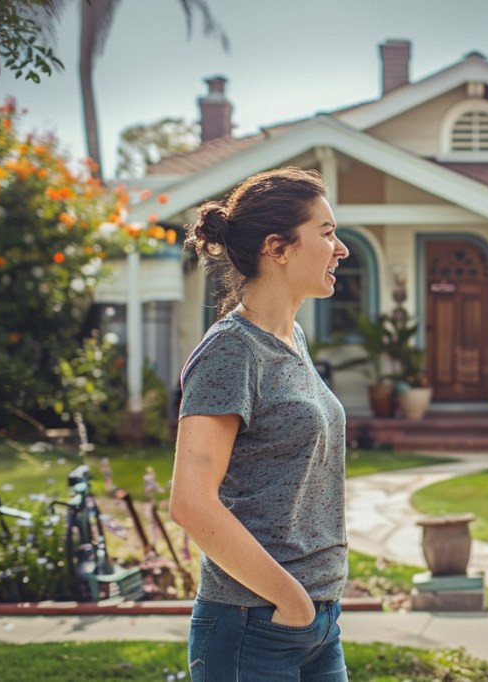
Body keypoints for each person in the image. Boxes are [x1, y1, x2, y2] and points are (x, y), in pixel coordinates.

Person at [170, 167, 351, 681]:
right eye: (326, 232)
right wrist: (290, 599)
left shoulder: (290, 337)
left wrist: (310, 604)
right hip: (253, 623)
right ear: (279, 247)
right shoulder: (231, 352)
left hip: (315, 622)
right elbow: (190, 502)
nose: (339, 248)